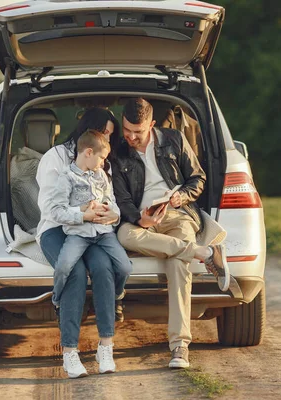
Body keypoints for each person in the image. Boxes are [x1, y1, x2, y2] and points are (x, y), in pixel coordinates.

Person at [112, 97, 230, 369]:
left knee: (178, 264)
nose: (131, 137)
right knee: (124, 236)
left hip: (178, 215)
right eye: (127, 130)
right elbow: (121, 198)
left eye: (137, 132)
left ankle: (180, 347)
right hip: (143, 221)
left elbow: (198, 179)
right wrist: (138, 218)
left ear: (151, 125)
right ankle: (205, 253)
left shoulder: (174, 139)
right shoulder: (119, 152)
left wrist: (181, 197)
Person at [36, 108, 124, 378]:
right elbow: (51, 209)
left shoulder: (100, 164)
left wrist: (110, 216)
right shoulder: (56, 159)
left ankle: (105, 346)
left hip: (92, 229)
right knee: (74, 274)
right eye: (105, 132)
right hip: (56, 227)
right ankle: (70, 353)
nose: (108, 139)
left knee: (104, 269)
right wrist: (83, 214)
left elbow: (108, 200)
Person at [49, 129, 132, 315]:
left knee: (125, 267)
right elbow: (56, 212)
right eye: (102, 158)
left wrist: (112, 213)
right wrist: (83, 216)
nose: (104, 163)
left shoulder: (101, 175)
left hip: (104, 233)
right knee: (63, 266)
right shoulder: (67, 177)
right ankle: (57, 299)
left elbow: (112, 201)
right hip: (78, 234)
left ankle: (116, 295)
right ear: (88, 153)